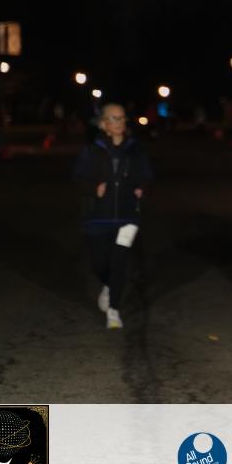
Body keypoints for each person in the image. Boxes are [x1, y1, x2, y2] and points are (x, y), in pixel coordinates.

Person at [72, 103, 154, 329]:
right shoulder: (92, 150)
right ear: (103, 124)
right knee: (100, 263)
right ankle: (108, 285)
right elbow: (77, 177)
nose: (119, 123)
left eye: (122, 118)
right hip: (97, 217)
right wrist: (93, 187)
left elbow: (147, 174)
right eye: (114, 118)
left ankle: (114, 310)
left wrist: (141, 187)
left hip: (127, 217)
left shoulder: (135, 149)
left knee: (119, 263)